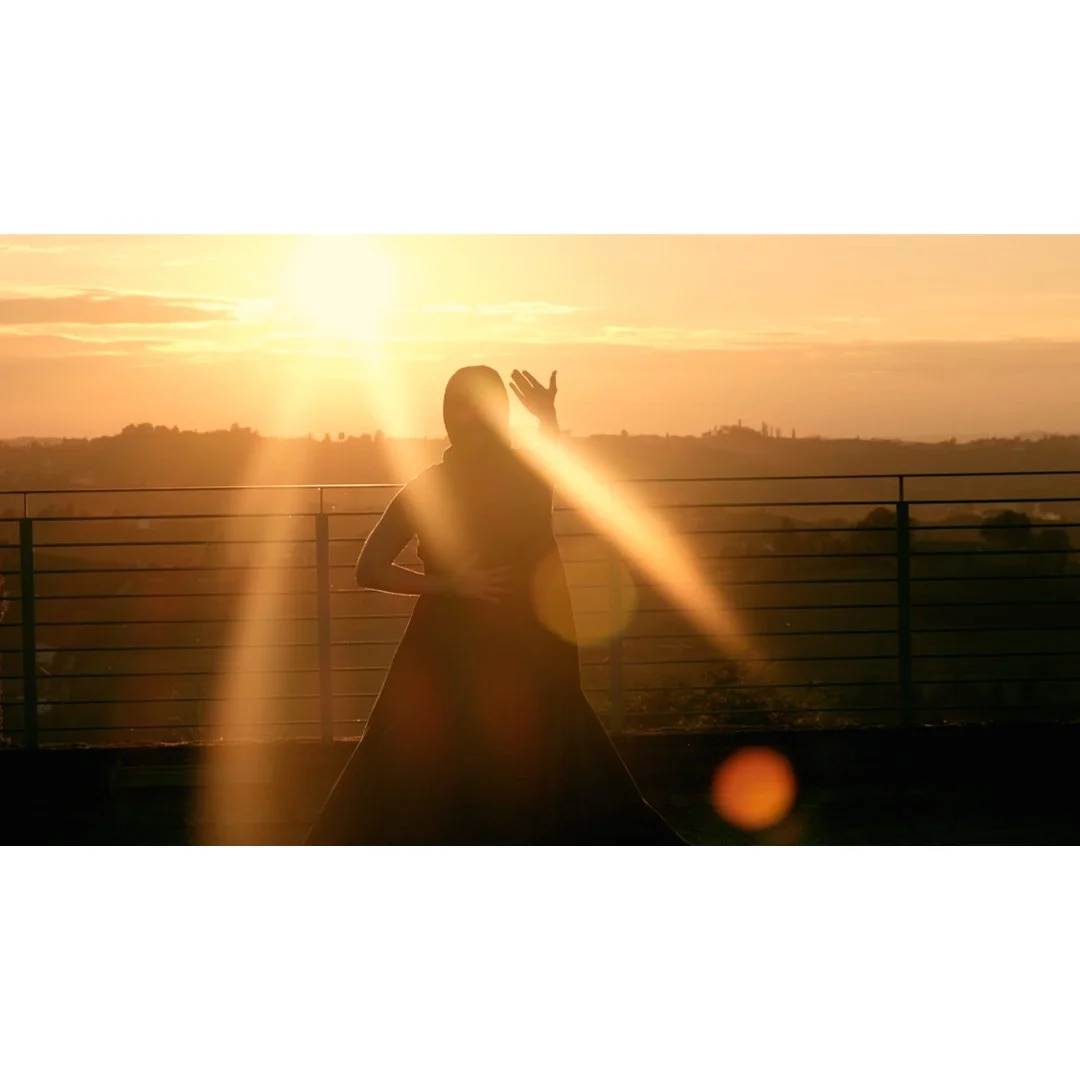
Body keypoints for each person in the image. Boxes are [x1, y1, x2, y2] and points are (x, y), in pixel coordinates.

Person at [305, 366, 684, 844]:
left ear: (449, 418)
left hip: (447, 644)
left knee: (423, 760)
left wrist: (449, 586)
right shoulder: (526, 474)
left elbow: (369, 568)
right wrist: (547, 420)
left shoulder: (431, 484)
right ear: (499, 415)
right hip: (530, 642)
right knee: (546, 758)